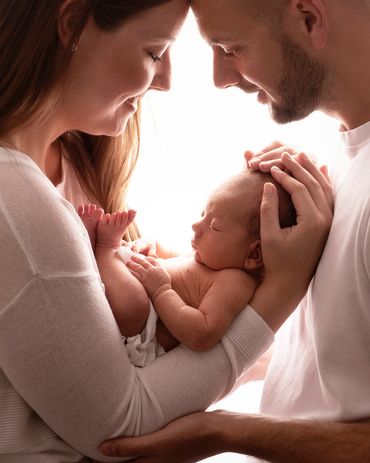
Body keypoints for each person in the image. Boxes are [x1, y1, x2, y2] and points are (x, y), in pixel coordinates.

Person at [0, 1, 331, 462]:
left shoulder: (74, 169)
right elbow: (120, 429)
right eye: (155, 52)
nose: (166, 79)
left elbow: (146, 352)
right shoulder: (12, 198)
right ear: (72, 23)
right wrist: (281, 291)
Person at [97, 0, 370, 462]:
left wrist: (223, 432)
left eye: (230, 47)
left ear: (309, 18)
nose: (221, 77)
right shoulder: (322, 159)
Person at [79, 170, 296, 359]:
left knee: (134, 306)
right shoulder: (208, 257)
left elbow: (203, 333)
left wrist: (161, 291)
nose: (195, 225)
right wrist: (151, 246)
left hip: (144, 327)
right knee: (131, 261)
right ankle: (97, 251)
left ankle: (105, 247)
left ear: (254, 254)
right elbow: (173, 259)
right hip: (131, 286)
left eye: (214, 226)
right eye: (203, 214)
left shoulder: (235, 281)